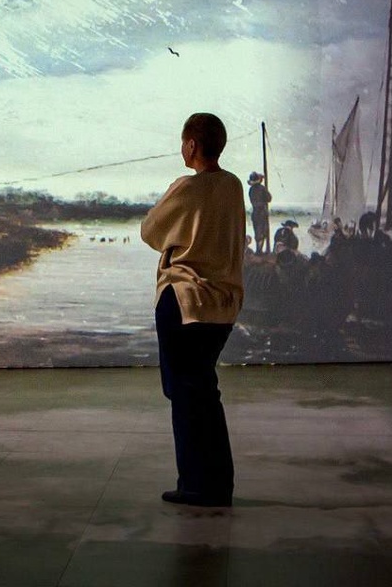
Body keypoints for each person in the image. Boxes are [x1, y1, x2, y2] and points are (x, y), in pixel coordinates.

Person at [140, 112, 244, 508]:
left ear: (192, 145)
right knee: (203, 390)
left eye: (184, 143)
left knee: (184, 392)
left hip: (184, 301)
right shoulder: (233, 185)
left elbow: (150, 231)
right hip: (223, 304)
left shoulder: (186, 187)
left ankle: (196, 485)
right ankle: (217, 484)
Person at [247, 172, 271, 254]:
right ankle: (259, 250)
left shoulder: (251, 189)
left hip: (255, 213)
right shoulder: (262, 188)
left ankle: (258, 250)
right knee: (262, 232)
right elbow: (269, 198)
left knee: (257, 231)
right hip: (262, 212)